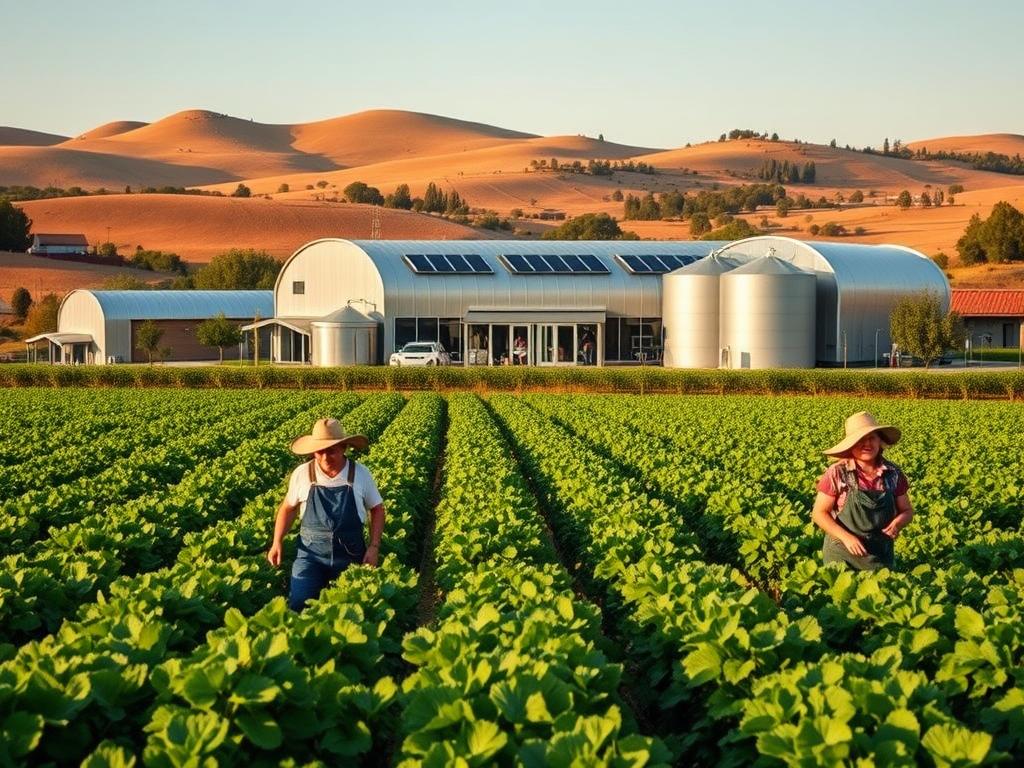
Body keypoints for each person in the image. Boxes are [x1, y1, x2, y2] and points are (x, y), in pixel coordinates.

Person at [267, 418, 385, 610]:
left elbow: (377, 509)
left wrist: (374, 546)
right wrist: (277, 541)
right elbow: (288, 508)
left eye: (331, 451)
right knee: (299, 604)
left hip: (351, 555)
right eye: (320, 451)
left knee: (352, 609)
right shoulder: (302, 474)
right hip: (310, 555)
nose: (324, 457)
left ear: (344, 448)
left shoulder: (360, 473)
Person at [811, 411, 914, 571]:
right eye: (860, 439)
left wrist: (898, 523)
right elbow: (819, 513)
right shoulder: (837, 472)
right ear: (851, 444)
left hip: (879, 554)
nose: (867, 444)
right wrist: (847, 538)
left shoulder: (893, 473)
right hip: (842, 555)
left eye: (872, 438)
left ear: (880, 441)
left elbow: (907, 511)